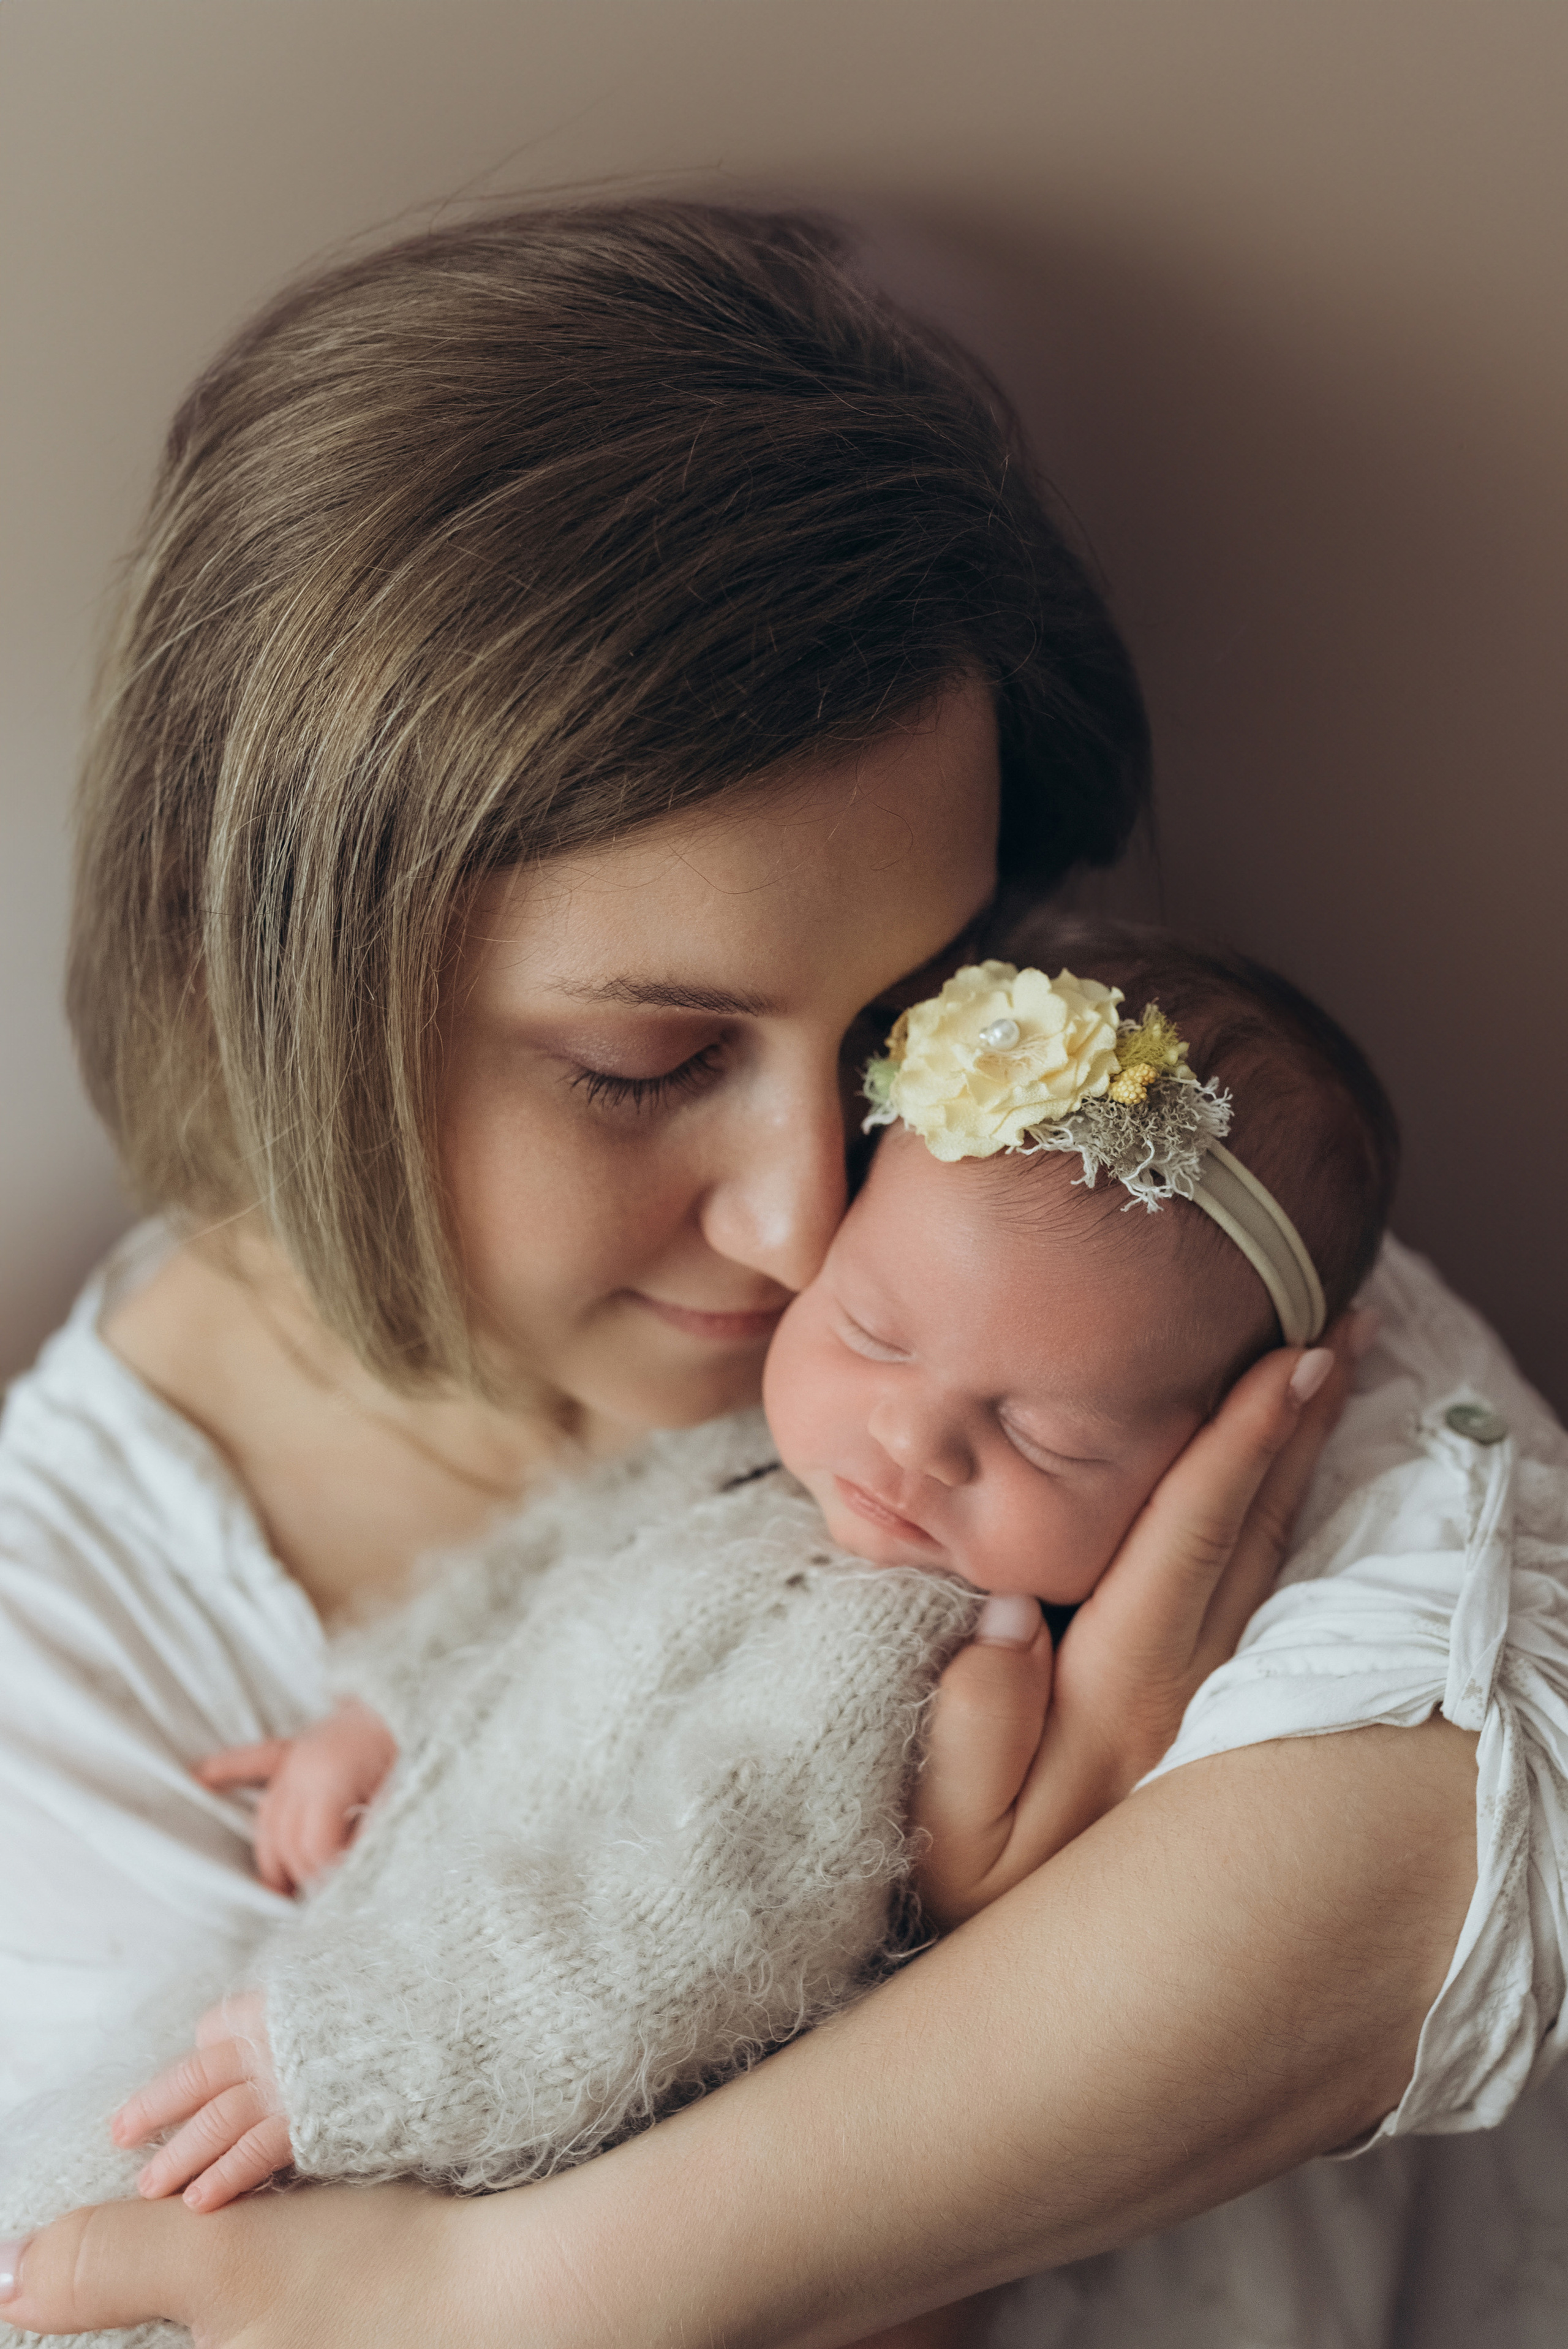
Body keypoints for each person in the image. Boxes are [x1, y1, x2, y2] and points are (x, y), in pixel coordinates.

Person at [0, 202, 1562, 2348]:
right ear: (265, 988)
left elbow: (1476, 1795)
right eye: (649, 1063)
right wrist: (967, 1954)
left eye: (909, 1019)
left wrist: (522, 2286)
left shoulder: (1088, 1180)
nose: (816, 1220)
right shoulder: (63, 1638)